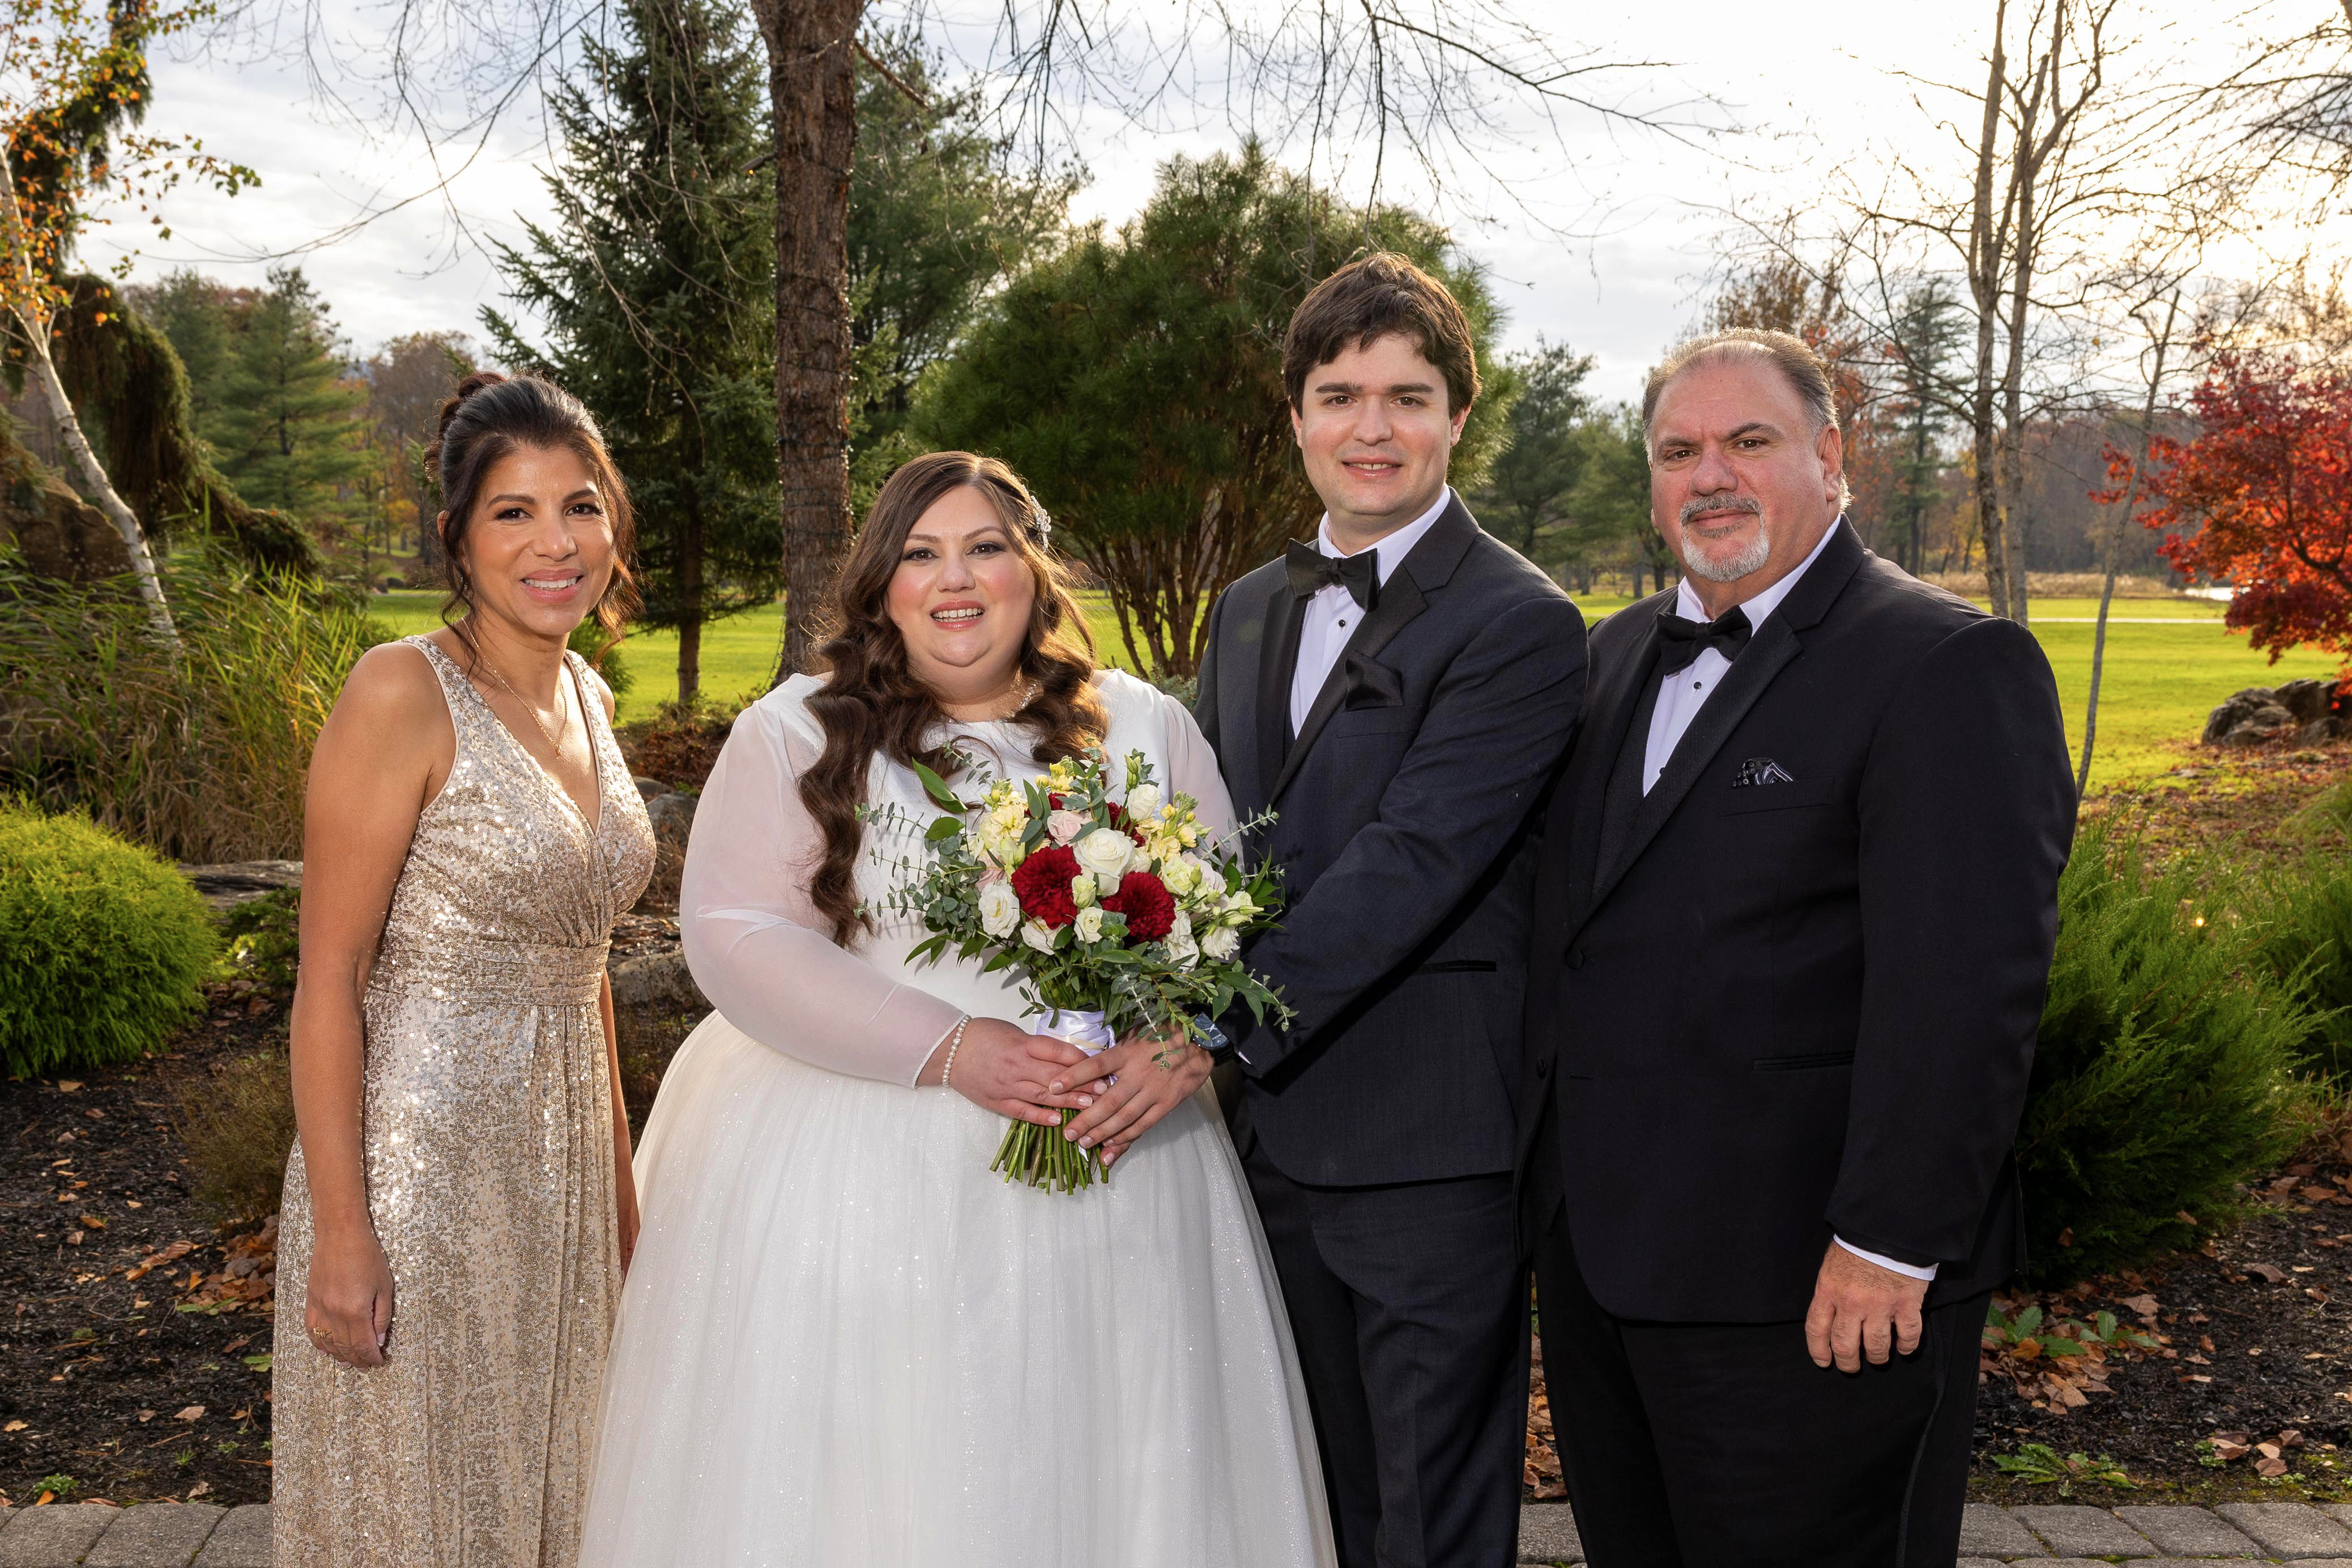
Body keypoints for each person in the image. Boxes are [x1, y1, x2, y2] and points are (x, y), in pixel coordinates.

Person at [578, 451, 1334, 1567]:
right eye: (922, 554)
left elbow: (1221, 915)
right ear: (882, 583)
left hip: (1117, 1154)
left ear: (1035, 571)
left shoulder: (1142, 725)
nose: (956, 580)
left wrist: (1178, 1043)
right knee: (894, 1463)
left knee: (1118, 1453)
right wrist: (950, 1046)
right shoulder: (798, 731)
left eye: (986, 548)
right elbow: (735, 933)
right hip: (861, 1161)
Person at [1516, 329, 2076, 1567]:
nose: (1710, 475)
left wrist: (1889, 1243)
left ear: (1831, 456)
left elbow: (1967, 990)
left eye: (1748, 441)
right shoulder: (1609, 657)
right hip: (1607, 1269)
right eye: (1679, 452)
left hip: (1815, 1287)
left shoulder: (1946, 662)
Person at [1191, 251, 1587, 1568]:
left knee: (1426, 1523)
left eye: (1408, 397)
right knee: (1307, 1503)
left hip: (1426, 1149)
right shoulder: (1248, 608)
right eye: (1341, 395)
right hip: (1263, 1140)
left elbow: (1414, 860)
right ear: (1296, 415)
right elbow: (1203, 837)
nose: (1374, 427)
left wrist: (1207, 1026)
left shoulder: (1520, 620)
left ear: (1458, 416)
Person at [273, 372, 657, 1567]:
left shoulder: (590, 695)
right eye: (514, 512)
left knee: (569, 1493)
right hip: (419, 1170)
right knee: (429, 1505)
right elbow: (330, 978)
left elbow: (586, 969)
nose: (556, 543)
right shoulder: (401, 690)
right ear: (457, 536)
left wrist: (624, 1203)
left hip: (567, 1174)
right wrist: (345, 1231)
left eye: (581, 507)